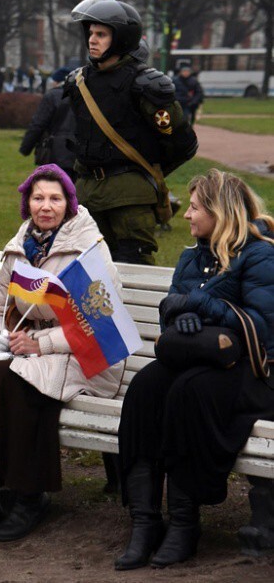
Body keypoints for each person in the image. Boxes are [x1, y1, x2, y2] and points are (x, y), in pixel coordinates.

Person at [0, 164, 126, 544]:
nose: (46, 206)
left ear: (69, 204)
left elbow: (100, 325)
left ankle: (29, 497)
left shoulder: (90, 248)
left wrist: (39, 344)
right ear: (28, 203)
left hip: (85, 354)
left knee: (18, 383)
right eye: (38, 198)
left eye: (55, 199)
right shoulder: (18, 247)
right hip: (26, 347)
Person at [115, 169, 274, 570]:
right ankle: (145, 523)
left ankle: (185, 524)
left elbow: (263, 325)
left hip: (252, 372)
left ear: (220, 212)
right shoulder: (192, 255)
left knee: (189, 392)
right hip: (200, 358)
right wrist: (178, 319)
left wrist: (201, 307)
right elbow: (171, 305)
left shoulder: (261, 254)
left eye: (196, 207)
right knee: (145, 389)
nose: (186, 215)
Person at [64, 0, 198, 264]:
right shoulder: (79, 82)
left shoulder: (145, 84)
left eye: (101, 34)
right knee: (84, 269)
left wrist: (143, 172)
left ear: (122, 38)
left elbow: (183, 144)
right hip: (87, 192)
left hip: (128, 198)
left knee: (132, 268)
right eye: (91, 33)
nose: (93, 39)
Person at [19, 66, 77, 179]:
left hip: (56, 152)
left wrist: (25, 148)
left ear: (57, 81)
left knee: (57, 190)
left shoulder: (52, 96)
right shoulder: (83, 96)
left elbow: (38, 124)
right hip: (79, 152)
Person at [173, 60, 204, 125]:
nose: (185, 73)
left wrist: (193, 101)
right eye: (184, 71)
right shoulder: (175, 81)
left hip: (189, 103)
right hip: (178, 102)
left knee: (187, 117)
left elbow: (199, 92)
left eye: (187, 71)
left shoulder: (193, 81)